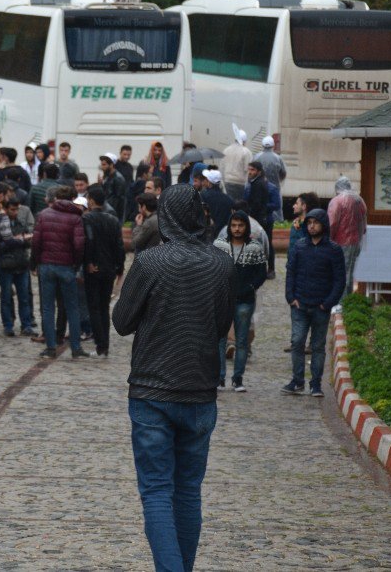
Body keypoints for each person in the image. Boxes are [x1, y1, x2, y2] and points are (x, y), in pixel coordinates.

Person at [112, 184, 234, 572]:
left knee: (157, 491)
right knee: (187, 493)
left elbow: (121, 322)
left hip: (151, 388)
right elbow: (221, 325)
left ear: (164, 217)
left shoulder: (150, 262)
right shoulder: (221, 264)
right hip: (199, 389)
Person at [283, 209, 345, 397]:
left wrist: (327, 304)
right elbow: (291, 272)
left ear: (323, 225)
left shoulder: (334, 250)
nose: (311, 226)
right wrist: (291, 297)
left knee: (318, 346)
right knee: (297, 341)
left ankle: (315, 383)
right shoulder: (300, 247)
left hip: (320, 307)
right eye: (309, 222)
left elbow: (339, 280)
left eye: (315, 222)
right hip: (300, 304)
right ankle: (297, 380)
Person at [214, 211, 266, 392]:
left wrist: (250, 288)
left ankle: (238, 378)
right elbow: (212, 268)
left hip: (244, 300)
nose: (237, 229)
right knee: (219, 339)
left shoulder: (255, 247)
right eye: (234, 225)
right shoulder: (219, 245)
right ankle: (219, 377)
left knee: (242, 341)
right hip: (222, 299)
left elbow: (261, 273)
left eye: (240, 225)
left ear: (246, 227)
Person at [32, 185, 86, 359]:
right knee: (72, 308)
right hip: (66, 266)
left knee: (48, 308)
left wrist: (35, 262)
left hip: (46, 265)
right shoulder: (76, 218)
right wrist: (76, 264)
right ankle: (76, 347)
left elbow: (36, 242)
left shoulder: (43, 215)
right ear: (72, 198)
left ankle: (50, 347)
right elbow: (79, 245)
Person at [82, 186, 125, 357]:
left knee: (94, 307)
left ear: (91, 200)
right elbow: (119, 246)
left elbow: (88, 242)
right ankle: (105, 344)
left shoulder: (87, 219)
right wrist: (119, 267)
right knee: (104, 307)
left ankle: (100, 344)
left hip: (94, 268)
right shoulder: (113, 220)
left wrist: (88, 262)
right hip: (109, 269)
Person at [0, 198, 35, 337]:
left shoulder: (20, 223)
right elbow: (3, 244)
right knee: (6, 297)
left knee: (24, 297)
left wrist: (22, 240)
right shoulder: (2, 224)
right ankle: (8, 325)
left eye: (17, 209)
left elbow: (27, 242)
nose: (16, 212)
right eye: (13, 209)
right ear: (6, 209)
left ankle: (27, 324)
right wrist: (20, 240)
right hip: (7, 265)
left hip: (21, 264)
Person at [327, 176, 367, 298]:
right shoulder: (359, 201)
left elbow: (332, 223)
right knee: (349, 272)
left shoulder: (336, 201)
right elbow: (364, 225)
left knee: (340, 272)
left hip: (340, 242)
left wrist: (328, 240)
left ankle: (341, 302)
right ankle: (348, 299)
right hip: (355, 242)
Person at [199, 169, 232, 237]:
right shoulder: (228, 199)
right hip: (224, 233)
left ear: (209, 182)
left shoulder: (203, 195)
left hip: (209, 233)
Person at [222, 129, 252, 201]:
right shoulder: (246, 152)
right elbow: (248, 169)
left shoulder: (226, 150)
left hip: (227, 181)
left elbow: (222, 167)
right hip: (240, 183)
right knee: (238, 204)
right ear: (244, 141)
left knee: (229, 203)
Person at [99, 153, 127, 221]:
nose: (102, 167)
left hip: (114, 214)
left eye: (104, 165)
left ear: (111, 165)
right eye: (102, 164)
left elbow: (118, 199)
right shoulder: (107, 176)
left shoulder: (118, 178)